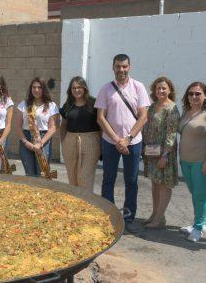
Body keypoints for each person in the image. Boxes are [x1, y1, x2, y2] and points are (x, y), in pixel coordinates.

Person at [95, 54, 150, 233]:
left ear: (129, 67)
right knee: (108, 179)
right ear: (113, 67)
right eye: (118, 66)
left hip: (133, 142)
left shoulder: (138, 87)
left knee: (131, 181)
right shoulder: (106, 89)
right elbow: (100, 117)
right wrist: (117, 139)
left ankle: (128, 217)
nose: (121, 70)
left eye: (124, 66)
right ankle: (109, 216)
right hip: (110, 142)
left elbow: (143, 116)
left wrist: (128, 138)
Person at [178, 82, 206, 242]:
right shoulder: (187, 112)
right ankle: (198, 222)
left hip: (202, 161)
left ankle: (198, 227)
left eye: (198, 93)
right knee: (195, 193)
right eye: (191, 93)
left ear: (205, 95)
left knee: (201, 195)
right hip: (185, 160)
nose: (194, 96)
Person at [141, 77, 180, 229]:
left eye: (164, 88)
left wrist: (165, 155)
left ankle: (159, 218)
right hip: (152, 151)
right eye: (158, 88)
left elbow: (171, 133)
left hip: (165, 152)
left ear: (169, 90)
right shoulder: (152, 107)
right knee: (155, 183)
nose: (161, 91)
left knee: (164, 185)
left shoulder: (172, 108)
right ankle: (155, 214)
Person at [59, 76, 101, 192]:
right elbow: (63, 125)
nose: (76, 90)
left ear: (84, 88)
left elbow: (101, 124)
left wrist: (102, 144)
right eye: (73, 88)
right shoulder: (68, 104)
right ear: (70, 90)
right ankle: (76, 204)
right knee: (72, 177)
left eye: (79, 87)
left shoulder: (94, 103)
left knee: (84, 176)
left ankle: (87, 205)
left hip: (91, 141)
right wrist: (63, 141)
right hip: (70, 141)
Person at [16, 77, 58, 177]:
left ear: (44, 89)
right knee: (29, 174)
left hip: (44, 139)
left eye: (39, 87)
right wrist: (26, 143)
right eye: (34, 87)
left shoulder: (51, 105)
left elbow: (53, 128)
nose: (36, 90)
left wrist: (40, 143)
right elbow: (18, 126)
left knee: (42, 174)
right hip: (26, 139)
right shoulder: (24, 104)